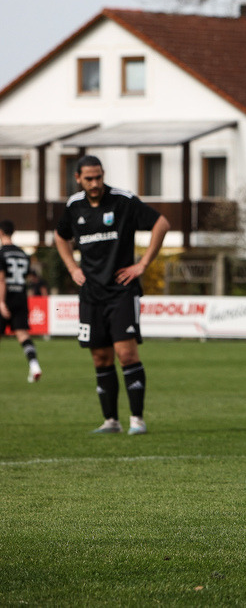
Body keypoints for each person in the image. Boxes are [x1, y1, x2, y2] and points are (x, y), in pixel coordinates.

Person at [54, 156, 170, 434]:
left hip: (121, 291)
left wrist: (142, 265)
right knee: (100, 358)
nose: (95, 184)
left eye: (99, 177)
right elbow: (60, 236)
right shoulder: (74, 206)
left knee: (126, 354)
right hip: (91, 294)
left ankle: (137, 420)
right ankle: (111, 421)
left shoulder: (123, 201)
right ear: (78, 178)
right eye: (89, 179)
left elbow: (161, 224)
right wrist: (72, 267)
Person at [0, 220, 43, 382]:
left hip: (4, 297)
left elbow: (1, 280)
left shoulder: (1, 253)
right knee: (23, 334)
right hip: (20, 297)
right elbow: (28, 277)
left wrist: (1, 302)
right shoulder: (23, 254)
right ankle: (34, 365)